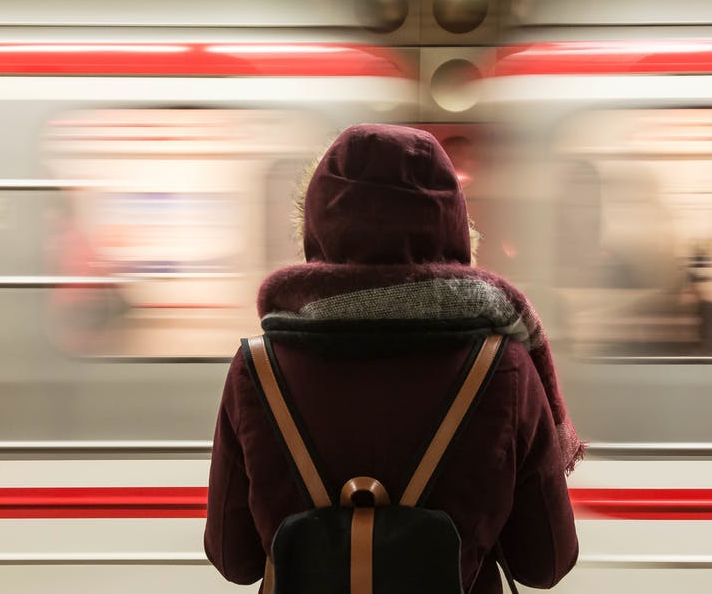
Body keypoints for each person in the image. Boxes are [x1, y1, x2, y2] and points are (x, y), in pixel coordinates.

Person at [204, 124, 582, 593]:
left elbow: (233, 559)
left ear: (318, 226)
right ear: (454, 225)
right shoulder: (504, 367)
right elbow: (546, 563)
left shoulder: (257, 368)